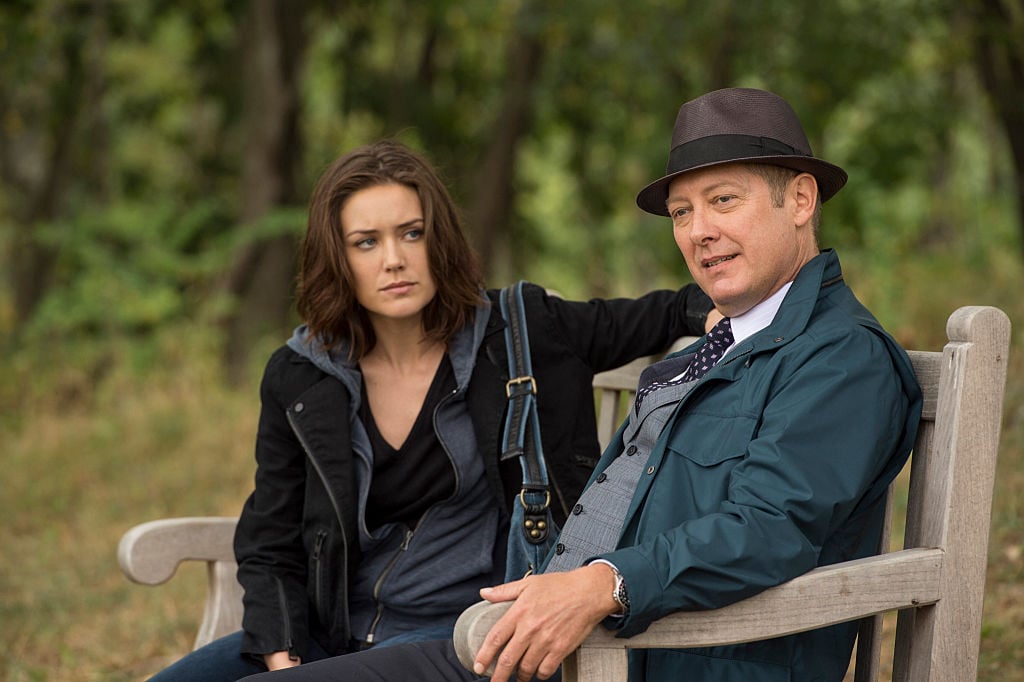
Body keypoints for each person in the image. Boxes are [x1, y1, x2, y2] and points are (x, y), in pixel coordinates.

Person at [242, 88, 923, 682]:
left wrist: (602, 584)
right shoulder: (732, 344)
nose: (699, 231)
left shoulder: (838, 359)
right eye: (682, 213)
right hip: (544, 639)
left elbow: (770, 528)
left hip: (635, 651)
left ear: (800, 199)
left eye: (723, 201)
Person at [148, 139, 714, 681]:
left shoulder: (516, 331)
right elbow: (270, 537)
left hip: (469, 636)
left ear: (437, 239)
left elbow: (662, 312)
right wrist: (284, 657)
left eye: (411, 234)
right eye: (366, 242)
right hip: (332, 634)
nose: (394, 260)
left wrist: (713, 314)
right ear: (337, 257)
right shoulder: (302, 375)